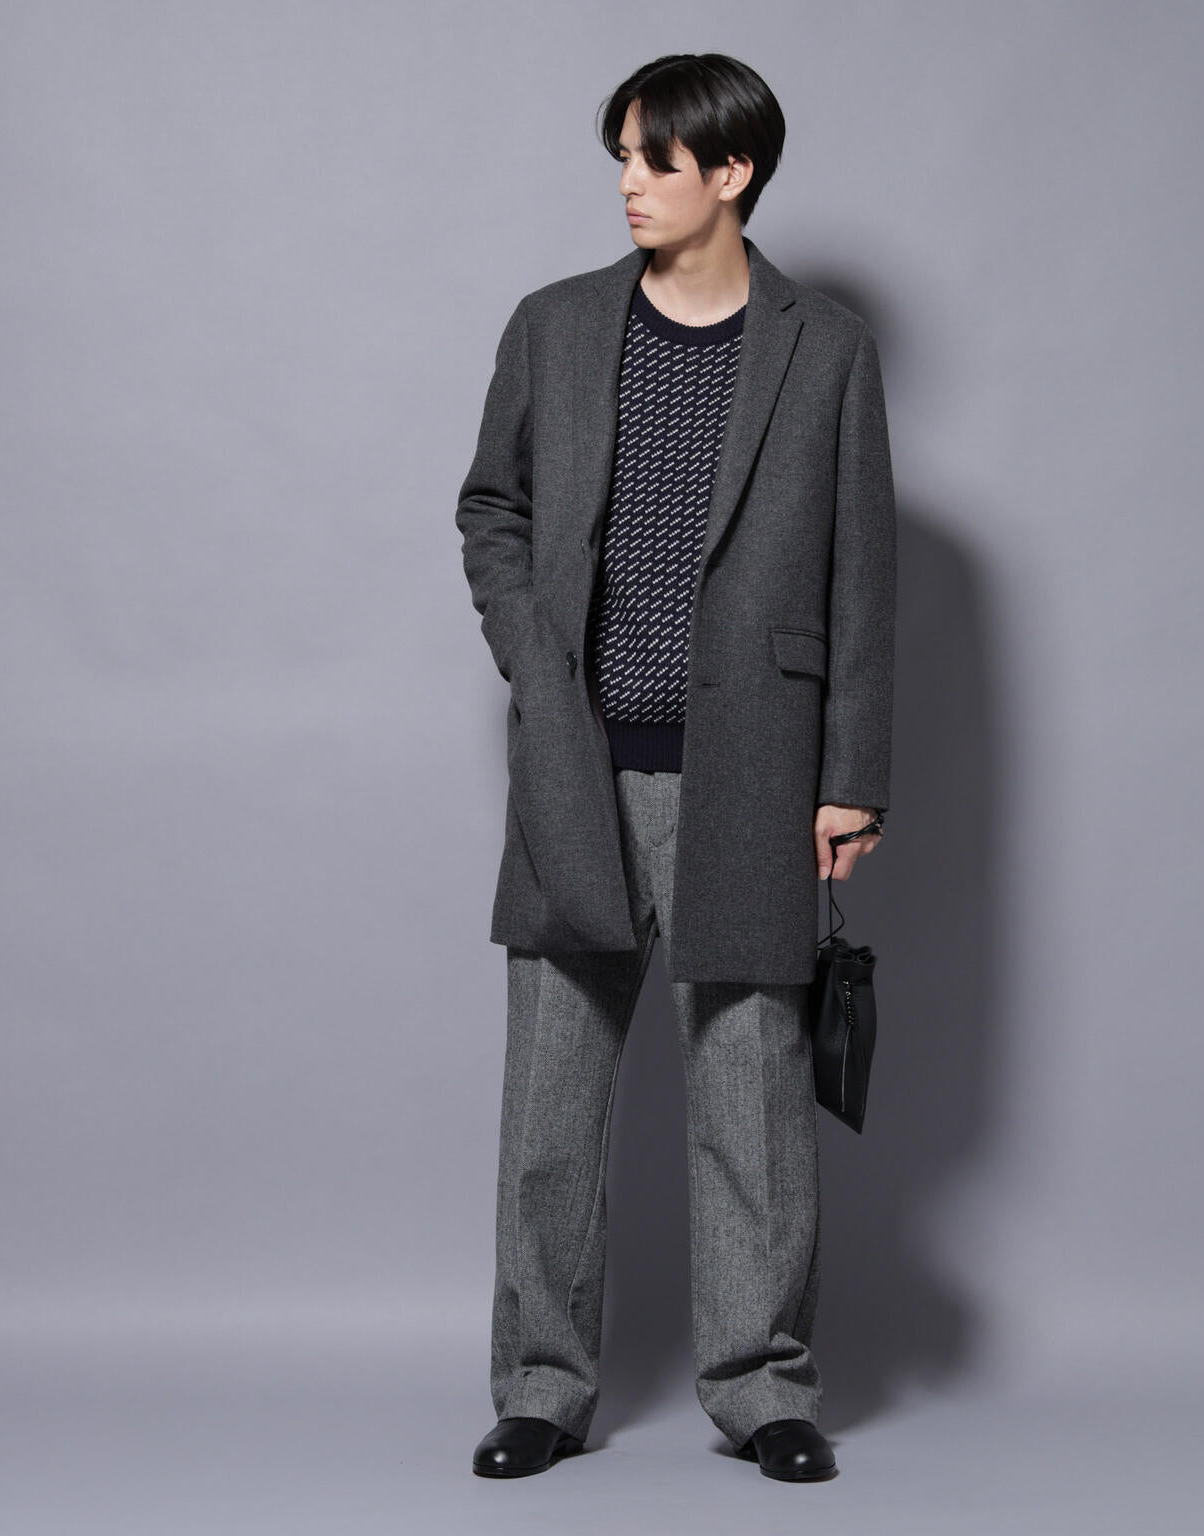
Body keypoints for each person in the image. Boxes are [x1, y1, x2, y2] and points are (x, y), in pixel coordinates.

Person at [455, 52, 896, 1483]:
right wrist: (533, 659)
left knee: (751, 1104)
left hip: (755, 774)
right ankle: (540, 1385)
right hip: (578, 770)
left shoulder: (825, 349)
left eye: (654, 159)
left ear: (732, 173)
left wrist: (852, 773)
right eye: (623, 159)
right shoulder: (556, 325)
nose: (629, 184)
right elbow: (493, 506)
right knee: (551, 1104)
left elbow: (862, 573)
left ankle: (762, 1389)